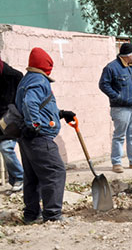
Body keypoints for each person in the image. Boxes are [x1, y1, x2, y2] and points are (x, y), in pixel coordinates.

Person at [15, 47, 76, 223]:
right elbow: (30, 102)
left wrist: (61, 113)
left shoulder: (28, 79)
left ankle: (31, 214)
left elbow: (43, 107)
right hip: (39, 137)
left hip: (27, 138)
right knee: (55, 171)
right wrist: (34, 125)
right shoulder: (39, 80)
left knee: (33, 176)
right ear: (46, 65)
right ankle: (53, 215)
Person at [99, 43, 132, 173]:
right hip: (120, 108)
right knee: (119, 136)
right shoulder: (112, 68)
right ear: (128, 55)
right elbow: (103, 85)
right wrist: (117, 97)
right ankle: (116, 162)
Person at [0, 57, 24, 192]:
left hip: (12, 120)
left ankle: (20, 177)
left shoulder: (15, 76)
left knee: (6, 148)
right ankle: (16, 180)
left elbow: (22, 99)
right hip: (1, 121)